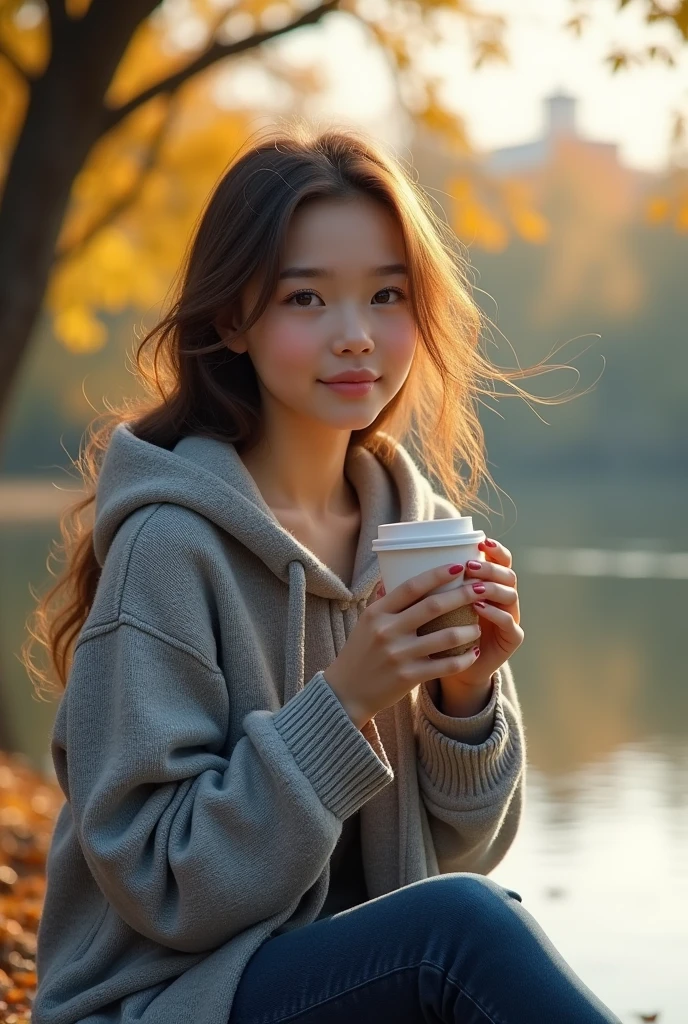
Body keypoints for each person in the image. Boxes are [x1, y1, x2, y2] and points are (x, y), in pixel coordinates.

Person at [25, 122, 621, 1024]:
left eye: (387, 295)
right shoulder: (169, 547)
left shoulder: (410, 531)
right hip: (159, 1004)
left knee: (470, 918)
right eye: (307, 300)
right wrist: (346, 698)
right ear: (233, 318)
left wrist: (466, 700)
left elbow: (459, 862)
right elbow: (164, 884)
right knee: (459, 935)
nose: (356, 337)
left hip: (335, 992)